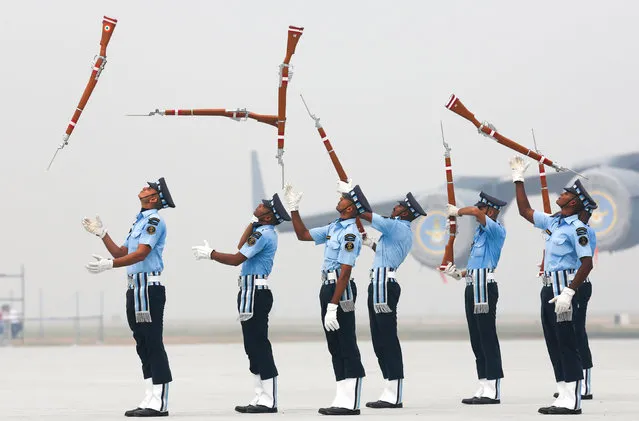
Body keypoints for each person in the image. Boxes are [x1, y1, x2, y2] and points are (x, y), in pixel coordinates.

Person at [509, 156, 596, 415]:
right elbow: (525, 212)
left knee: (568, 341)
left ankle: (573, 400)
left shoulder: (577, 229)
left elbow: (587, 263)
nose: (561, 193)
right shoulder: (555, 222)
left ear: (574, 201)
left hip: (565, 288)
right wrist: (518, 179)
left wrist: (569, 292)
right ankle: (563, 393)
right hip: (549, 288)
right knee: (554, 341)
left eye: (567, 192)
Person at [83, 177, 176, 417]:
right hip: (134, 289)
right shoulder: (139, 222)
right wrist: (102, 234)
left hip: (149, 288)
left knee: (153, 342)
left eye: (149, 188)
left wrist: (110, 265)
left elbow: (141, 254)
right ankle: (149, 396)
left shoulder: (154, 221)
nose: (144, 189)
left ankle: (160, 401)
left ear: (153, 198)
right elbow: (122, 251)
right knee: (142, 342)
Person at [191, 193, 291, 414]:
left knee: (259, 345)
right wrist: (253, 222)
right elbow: (240, 245)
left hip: (256, 292)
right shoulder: (260, 230)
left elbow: (237, 258)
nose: (258, 205)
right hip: (248, 290)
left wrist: (212, 254)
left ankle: (269, 399)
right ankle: (260, 395)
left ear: (268, 215)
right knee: (251, 346)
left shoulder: (264, 234)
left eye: (263, 206)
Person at [283, 182, 371, 416]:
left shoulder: (351, 233)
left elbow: (346, 271)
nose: (339, 199)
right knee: (334, 345)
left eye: (344, 198)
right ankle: (341, 396)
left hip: (340, 291)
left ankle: (351, 401)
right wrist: (294, 208)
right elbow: (303, 235)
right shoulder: (335, 227)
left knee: (346, 343)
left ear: (351, 208)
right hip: (327, 286)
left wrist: (333, 305)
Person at [356, 191, 427, 409]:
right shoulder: (399, 230)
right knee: (379, 339)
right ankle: (389, 386)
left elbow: (365, 214)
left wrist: (352, 193)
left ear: (405, 213)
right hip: (378, 284)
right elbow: (387, 254)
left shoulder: (397, 226)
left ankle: (394, 392)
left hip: (384, 286)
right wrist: (371, 245)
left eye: (398, 207)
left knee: (387, 338)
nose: (393, 208)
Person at [442, 192, 507, 405]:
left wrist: (457, 211)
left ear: (491, 211)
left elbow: (474, 212)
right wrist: (459, 273)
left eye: (482, 208)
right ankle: (483, 384)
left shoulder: (496, 230)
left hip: (485, 288)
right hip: (472, 285)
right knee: (477, 338)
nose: (478, 211)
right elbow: (475, 266)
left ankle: (493, 388)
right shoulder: (479, 234)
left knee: (487, 336)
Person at [552, 209, 595, 401]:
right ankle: (574, 383)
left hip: (578, 285)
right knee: (570, 334)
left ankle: (584, 384)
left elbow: (583, 262)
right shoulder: (568, 228)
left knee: (577, 333)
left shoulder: (581, 230)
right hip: (568, 283)